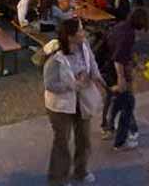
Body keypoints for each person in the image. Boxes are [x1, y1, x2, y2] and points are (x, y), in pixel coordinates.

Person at [44, 18, 106, 186]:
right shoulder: (55, 56)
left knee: (84, 138)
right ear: (70, 36)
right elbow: (49, 84)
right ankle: (58, 179)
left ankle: (81, 170)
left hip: (82, 101)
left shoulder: (83, 45)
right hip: (60, 106)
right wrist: (74, 85)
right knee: (62, 142)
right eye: (80, 30)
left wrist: (97, 77)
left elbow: (91, 62)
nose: (83, 33)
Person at [108, 8, 149, 151]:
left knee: (118, 101)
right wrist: (121, 78)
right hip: (119, 71)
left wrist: (135, 64)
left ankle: (110, 126)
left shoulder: (121, 26)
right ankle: (122, 140)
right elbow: (119, 58)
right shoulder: (129, 34)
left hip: (109, 68)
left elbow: (125, 52)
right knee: (128, 104)